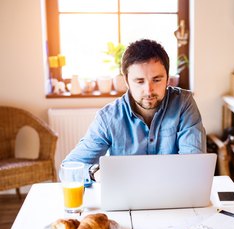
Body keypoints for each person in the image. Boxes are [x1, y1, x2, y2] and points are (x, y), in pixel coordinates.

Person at [63, 39, 206, 168]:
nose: (148, 90)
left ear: (168, 78)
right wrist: (94, 172)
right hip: (126, 197)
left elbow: (194, 165)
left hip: (175, 195)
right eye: (139, 81)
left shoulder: (183, 104)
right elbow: (69, 167)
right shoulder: (108, 117)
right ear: (126, 81)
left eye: (157, 80)